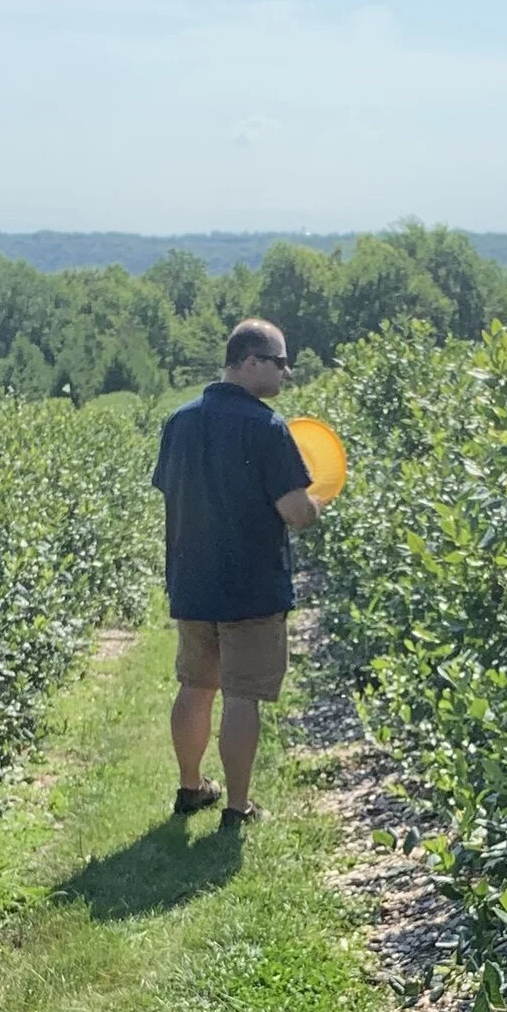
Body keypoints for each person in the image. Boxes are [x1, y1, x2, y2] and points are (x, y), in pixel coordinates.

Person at [150, 316, 318, 828]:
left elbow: (171, 491)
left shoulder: (178, 421)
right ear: (250, 362)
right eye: (279, 363)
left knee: (195, 685)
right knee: (242, 694)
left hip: (192, 579)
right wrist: (316, 505)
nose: (285, 375)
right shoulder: (267, 428)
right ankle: (237, 808)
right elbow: (294, 511)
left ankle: (189, 787)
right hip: (250, 587)